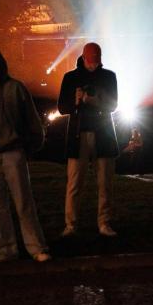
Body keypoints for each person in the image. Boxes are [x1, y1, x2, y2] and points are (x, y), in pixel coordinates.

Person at [0, 47, 51, 262]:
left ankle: (36, 247)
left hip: (13, 150)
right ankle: (5, 249)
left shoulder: (16, 88)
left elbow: (31, 119)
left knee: (23, 201)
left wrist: (32, 145)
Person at [57, 42, 120, 237]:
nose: (93, 63)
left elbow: (113, 105)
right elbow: (62, 107)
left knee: (104, 183)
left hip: (101, 135)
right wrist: (76, 101)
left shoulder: (108, 76)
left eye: (96, 59)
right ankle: (72, 224)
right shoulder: (71, 78)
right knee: (75, 182)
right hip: (82, 134)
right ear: (84, 57)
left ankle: (102, 222)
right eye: (91, 59)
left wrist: (94, 101)